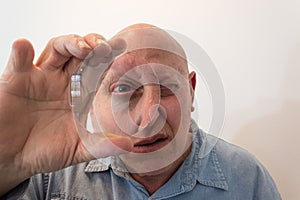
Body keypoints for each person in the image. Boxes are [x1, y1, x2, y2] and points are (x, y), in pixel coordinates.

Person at [0, 23, 281, 200]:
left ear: (191, 90)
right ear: (91, 100)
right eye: (123, 89)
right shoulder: (47, 174)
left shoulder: (247, 178)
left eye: (167, 86)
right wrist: (8, 163)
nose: (149, 118)